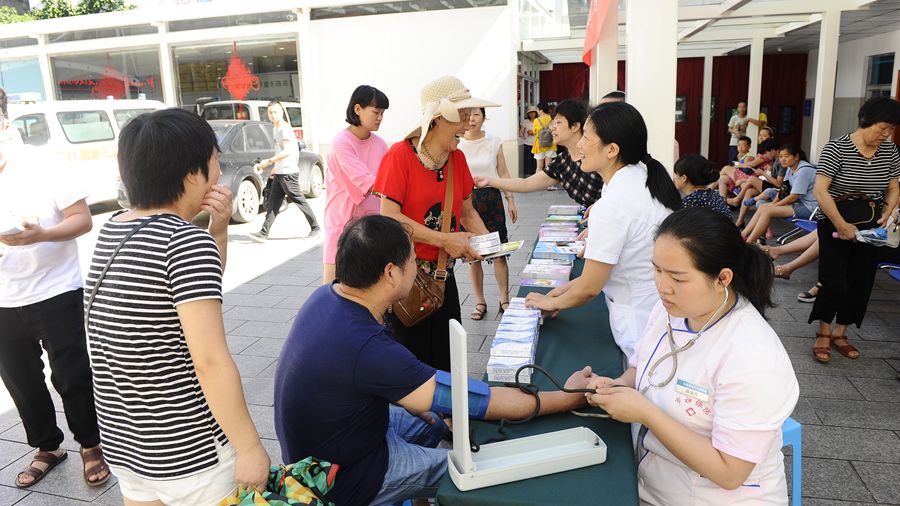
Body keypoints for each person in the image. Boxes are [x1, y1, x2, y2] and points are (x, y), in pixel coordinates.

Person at [274, 215, 595, 506]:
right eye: (413, 261)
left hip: (334, 445)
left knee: (440, 413)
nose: (417, 268)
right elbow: (479, 401)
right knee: (472, 468)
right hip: (346, 478)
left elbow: (422, 395)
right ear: (390, 273)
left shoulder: (326, 296)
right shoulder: (367, 346)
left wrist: (442, 407)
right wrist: (567, 398)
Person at [85, 109, 269, 504]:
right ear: (191, 173)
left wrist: (216, 230)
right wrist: (250, 446)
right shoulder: (183, 242)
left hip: (129, 446)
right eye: (215, 161)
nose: (219, 172)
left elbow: (193, 294)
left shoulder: (114, 228)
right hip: (190, 454)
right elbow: (210, 362)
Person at [586, 207, 798, 505]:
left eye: (677, 277)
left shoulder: (752, 355)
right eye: (656, 270)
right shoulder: (670, 309)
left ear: (722, 278)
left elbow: (729, 473)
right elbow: (643, 367)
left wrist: (646, 413)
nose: (662, 286)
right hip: (654, 483)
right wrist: (616, 386)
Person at [0, 91, 110, 489]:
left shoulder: (46, 164)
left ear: (6, 125)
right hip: (3, 300)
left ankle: (91, 445)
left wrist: (41, 235)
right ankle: (48, 446)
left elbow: (82, 220)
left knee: (72, 375)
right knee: (22, 382)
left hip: (56, 289)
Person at [525, 102, 683, 360]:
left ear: (612, 149)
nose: (580, 145)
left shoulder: (613, 204)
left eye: (586, 137)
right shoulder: (638, 175)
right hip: (655, 307)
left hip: (639, 322)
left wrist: (550, 303)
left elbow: (590, 287)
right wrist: (561, 293)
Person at [373, 75, 491, 371]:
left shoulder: (457, 159)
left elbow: (467, 213)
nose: (467, 124)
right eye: (462, 116)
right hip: (404, 282)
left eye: (470, 115)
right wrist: (445, 240)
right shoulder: (399, 156)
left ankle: (447, 418)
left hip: (443, 277)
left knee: (448, 361)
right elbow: (389, 218)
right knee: (410, 365)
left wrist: (490, 243)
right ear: (438, 119)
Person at [809, 97, 900, 363]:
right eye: (883, 128)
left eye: (891, 130)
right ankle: (823, 331)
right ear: (866, 121)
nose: (886, 134)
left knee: (861, 282)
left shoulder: (890, 151)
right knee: (835, 280)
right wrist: (840, 224)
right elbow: (820, 190)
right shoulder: (837, 148)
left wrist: (888, 209)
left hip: (871, 223)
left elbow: (893, 186)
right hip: (836, 219)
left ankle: (841, 333)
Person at [474, 99, 602, 208]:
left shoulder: (598, 157)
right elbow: (526, 184)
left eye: (558, 122)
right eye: (554, 122)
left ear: (575, 126)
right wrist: (489, 181)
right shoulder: (562, 162)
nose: (553, 127)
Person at [323, 85, 390, 284]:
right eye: (376, 112)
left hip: (373, 224)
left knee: (369, 288)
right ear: (358, 109)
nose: (380, 117)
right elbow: (369, 183)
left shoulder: (380, 144)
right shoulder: (341, 143)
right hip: (342, 223)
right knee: (333, 288)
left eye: (383, 113)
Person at [458, 107, 517, 319]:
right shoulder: (457, 142)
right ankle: (480, 302)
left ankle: (504, 300)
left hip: (492, 200)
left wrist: (510, 199)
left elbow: (503, 172)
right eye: (468, 115)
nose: (472, 119)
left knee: (499, 252)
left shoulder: (494, 141)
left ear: (484, 117)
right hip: (467, 203)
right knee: (473, 256)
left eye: (476, 115)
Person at [250, 100, 320, 242]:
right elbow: (281, 150)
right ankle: (264, 232)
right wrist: (275, 168)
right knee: (273, 203)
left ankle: (316, 227)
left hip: (288, 173)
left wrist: (268, 162)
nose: (273, 115)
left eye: (275, 112)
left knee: (299, 200)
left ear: (281, 112)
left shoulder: (284, 128)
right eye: (270, 112)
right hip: (281, 172)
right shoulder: (276, 128)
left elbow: (288, 150)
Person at [741, 144, 818, 244]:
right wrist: (773, 203)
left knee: (768, 210)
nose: (782, 160)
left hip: (811, 208)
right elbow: (784, 189)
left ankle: (748, 243)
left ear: (796, 157)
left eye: (786, 156)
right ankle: (744, 236)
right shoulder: (791, 168)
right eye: (780, 157)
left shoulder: (804, 170)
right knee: (764, 207)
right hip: (801, 203)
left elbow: (794, 197)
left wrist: (774, 205)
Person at [672, 154, 732, 219]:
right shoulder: (713, 194)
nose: (673, 177)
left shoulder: (689, 202)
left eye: (675, 173)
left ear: (684, 178)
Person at [531, 101, 557, 174]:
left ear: (541, 110)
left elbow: (534, 132)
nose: (537, 111)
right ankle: (549, 185)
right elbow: (554, 130)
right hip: (550, 144)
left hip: (539, 145)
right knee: (548, 166)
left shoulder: (536, 120)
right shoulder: (551, 119)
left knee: (539, 167)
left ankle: (537, 184)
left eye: (537, 109)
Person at [520, 106, 538, 176]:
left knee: (535, 160)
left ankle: (534, 174)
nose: (531, 114)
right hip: (527, 143)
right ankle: (527, 174)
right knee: (528, 159)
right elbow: (521, 131)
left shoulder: (538, 120)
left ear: (536, 113)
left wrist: (534, 132)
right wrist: (522, 136)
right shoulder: (525, 121)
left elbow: (541, 131)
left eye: (533, 112)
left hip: (536, 144)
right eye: (530, 113)